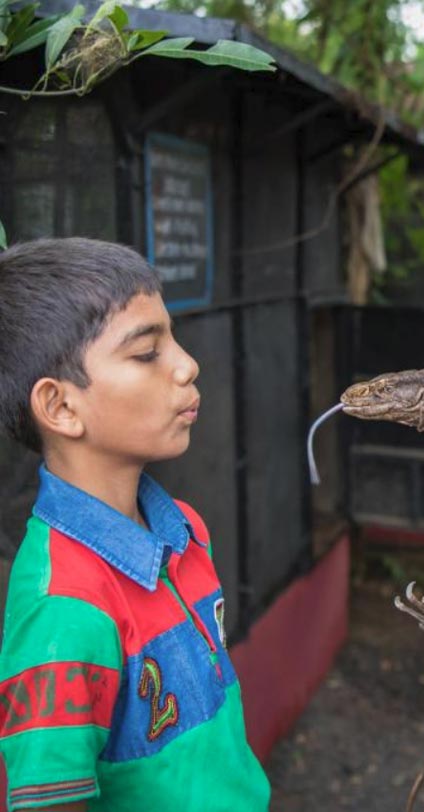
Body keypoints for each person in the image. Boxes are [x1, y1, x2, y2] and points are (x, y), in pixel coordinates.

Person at [0, 239, 270, 811]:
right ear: (62, 408)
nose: (186, 364)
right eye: (147, 353)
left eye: (172, 338)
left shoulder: (186, 532)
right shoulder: (66, 610)